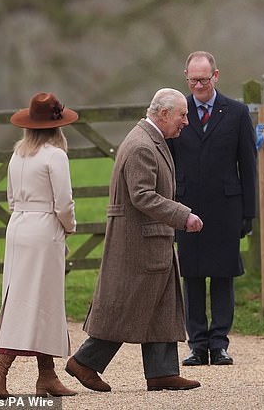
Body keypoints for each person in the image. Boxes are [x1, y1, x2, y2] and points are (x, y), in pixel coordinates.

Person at [65, 88, 203, 392]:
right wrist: (183, 215)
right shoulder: (142, 145)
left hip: (151, 239)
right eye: (182, 115)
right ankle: (84, 362)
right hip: (138, 243)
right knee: (125, 306)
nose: (186, 121)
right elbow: (142, 195)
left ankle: (162, 372)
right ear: (164, 113)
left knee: (161, 302)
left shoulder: (151, 138)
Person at [0, 92, 79, 398]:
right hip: (43, 229)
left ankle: (46, 375)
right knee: (35, 302)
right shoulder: (55, 156)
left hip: (18, 227)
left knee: (34, 299)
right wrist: (70, 227)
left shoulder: (18, 154)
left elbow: (10, 198)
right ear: (57, 126)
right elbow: (63, 203)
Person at [168, 51, 257, 367]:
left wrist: (249, 212)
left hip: (225, 206)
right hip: (186, 204)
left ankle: (219, 343)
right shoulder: (178, 111)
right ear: (186, 77)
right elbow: (168, 160)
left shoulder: (235, 112)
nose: (198, 86)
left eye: (204, 80)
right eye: (192, 80)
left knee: (222, 275)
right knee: (190, 276)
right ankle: (197, 344)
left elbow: (248, 163)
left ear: (215, 76)